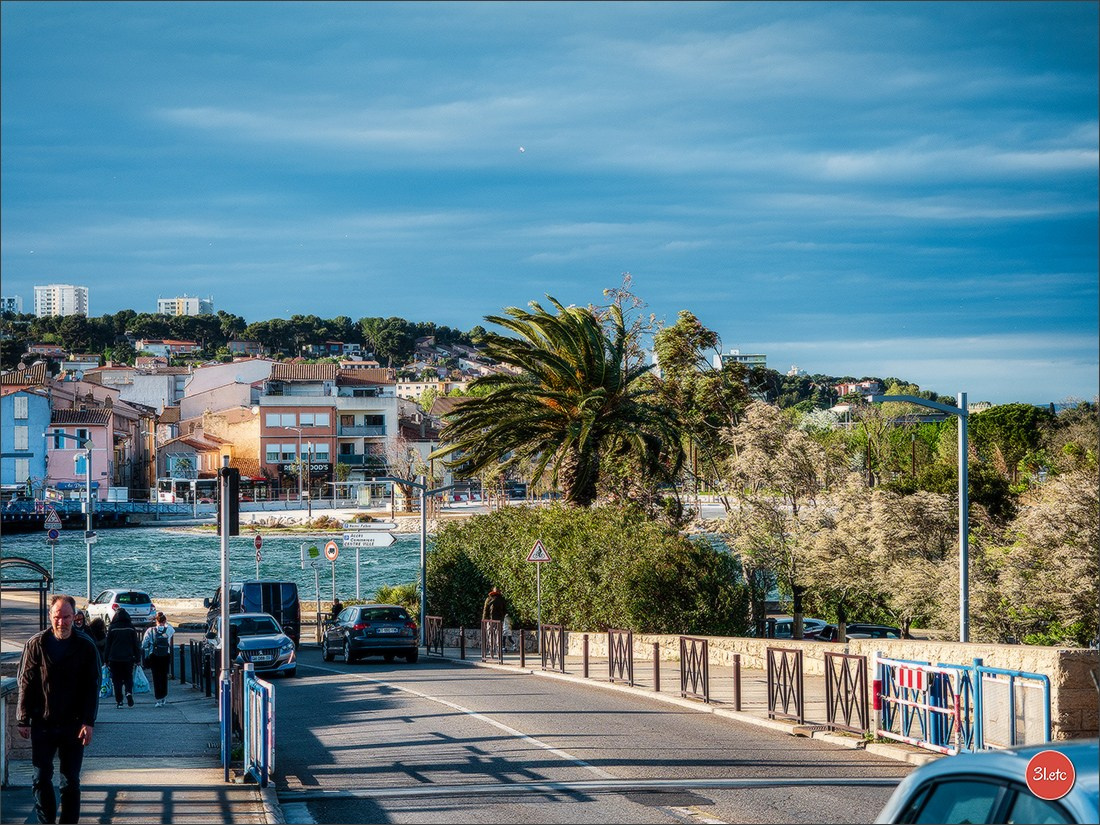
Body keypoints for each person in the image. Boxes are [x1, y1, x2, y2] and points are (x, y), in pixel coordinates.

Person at [16, 593, 101, 825]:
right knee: (41, 778)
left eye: (66, 617)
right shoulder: (36, 644)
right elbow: (25, 681)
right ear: (50, 616)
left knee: (70, 781)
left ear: (75, 617)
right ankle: (47, 822)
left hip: (74, 725)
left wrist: (88, 721)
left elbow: (92, 686)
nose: (61, 622)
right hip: (43, 723)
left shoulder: (85, 646)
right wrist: (23, 719)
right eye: (57, 617)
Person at [103, 608, 141, 708]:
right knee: (128, 677)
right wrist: (138, 659)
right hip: (128, 658)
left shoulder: (112, 627)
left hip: (114, 658)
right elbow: (135, 644)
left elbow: (108, 645)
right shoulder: (130, 627)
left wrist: (105, 659)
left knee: (117, 680)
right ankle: (128, 692)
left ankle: (119, 701)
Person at [141, 612, 175, 707]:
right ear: (165, 620)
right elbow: (172, 629)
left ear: (156, 621)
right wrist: (165, 622)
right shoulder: (168, 629)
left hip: (154, 656)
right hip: (165, 655)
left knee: (156, 677)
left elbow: (144, 645)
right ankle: (164, 697)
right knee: (164, 676)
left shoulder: (150, 630)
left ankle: (158, 699)